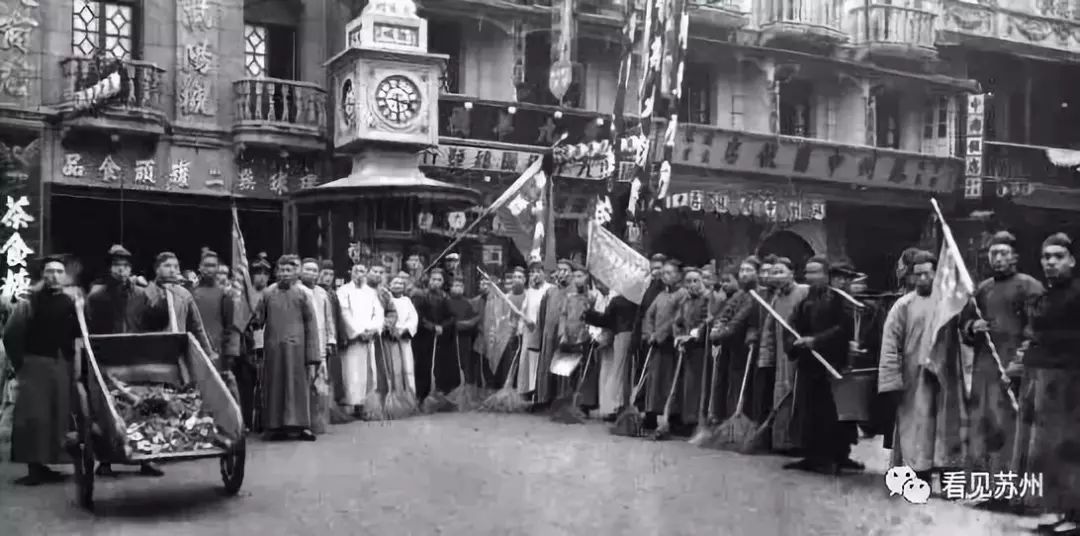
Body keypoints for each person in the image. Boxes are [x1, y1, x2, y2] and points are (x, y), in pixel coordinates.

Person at [957, 232, 1043, 488]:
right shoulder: (982, 289)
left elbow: (1036, 328)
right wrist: (974, 326)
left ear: (1015, 256)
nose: (998, 258)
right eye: (994, 253)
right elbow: (964, 322)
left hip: (1015, 367)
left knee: (1010, 426)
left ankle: (1009, 486)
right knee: (983, 423)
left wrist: (1019, 362)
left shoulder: (1030, 287)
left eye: (1004, 253)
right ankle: (983, 486)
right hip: (986, 366)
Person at [1012, 233, 1080, 533]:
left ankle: (1073, 514)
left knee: (1067, 447)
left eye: (1058, 256)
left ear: (1072, 260)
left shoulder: (1077, 294)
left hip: (1069, 379)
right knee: (1045, 447)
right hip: (1041, 378)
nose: (1051, 262)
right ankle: (1055, 508)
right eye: (1046, 257)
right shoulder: (1046, 296)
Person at [879, 249, 966, 486]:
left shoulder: (950, 304)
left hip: (946, 376)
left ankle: (950, 477)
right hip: (913, 378)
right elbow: (890, 344)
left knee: (947, 426)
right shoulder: (903, 305)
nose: (922, 279)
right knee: (917, 425)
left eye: (928, 274)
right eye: (917, 275)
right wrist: (891, 380)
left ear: (937, 274)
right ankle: (919, 474)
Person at [4, 255, 78, 485]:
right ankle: (33, 468)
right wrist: (21, 364)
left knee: (55, 416)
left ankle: (47, 463)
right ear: (43, 275)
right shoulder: (30, 301)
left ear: (64, 276)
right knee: (33, 417)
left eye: (58, 271)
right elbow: (11, 334)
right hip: (34, 364)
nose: (54, 276)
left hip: (60, 364)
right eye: (49, 271)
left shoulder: (70, 302)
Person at [784, 255, 855, 474]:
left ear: (826, 275)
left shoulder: (840, 299)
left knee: (832, 412)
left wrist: (817, 341)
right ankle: (811, 455)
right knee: (808, 411)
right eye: (807, 272)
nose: (810, 276)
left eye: (815, 272)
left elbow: (844, 328)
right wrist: (793, 343)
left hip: (832, 363)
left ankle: (836, 455)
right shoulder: (806, 299)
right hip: (809, 363)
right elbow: (792, 325)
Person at [255, 255, 320, 441]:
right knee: (274, 385)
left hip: (297, 350)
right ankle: (274, 426)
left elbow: (311, 326)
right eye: (281, 270)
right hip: (274, 349)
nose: (284, 274)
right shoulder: (267, 294)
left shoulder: (303, 294)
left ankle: (302, 426)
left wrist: (313, 356)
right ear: (276, 273)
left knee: (298, 386)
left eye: (288, 270)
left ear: (295, 273)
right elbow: (258, 320)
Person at [759, 257, 808, 450]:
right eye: (774, 272)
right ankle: (782, 442)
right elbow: (769, 330)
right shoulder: (776, 298)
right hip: (782, 354)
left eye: (781, 272)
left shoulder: (804, 292)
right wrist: (766, 355)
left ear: (792, 273)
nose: (777, 276)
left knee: (798, 396)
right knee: (781, 394)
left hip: (801, 350)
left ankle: (799, 442)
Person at [709, 256, 760, 423]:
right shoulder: (739, 295)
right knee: (732, 383)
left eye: (749, 270)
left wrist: (723, 332)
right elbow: (727, 314)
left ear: (757, 273)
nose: (744, 274)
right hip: (733, 346)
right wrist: (718, 327)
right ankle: (730, 419)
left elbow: (740, 318)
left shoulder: (757, 294)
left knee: (745, 386)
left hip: (749, 346)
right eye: (742, 271)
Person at [642, 259, 686, 437]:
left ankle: (672, 417)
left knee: (669, 380)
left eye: (669, 273)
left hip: (671, 344)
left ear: (678, 275)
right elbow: (649, 315)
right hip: (656, 344)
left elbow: (676, 319)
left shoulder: (682, 294)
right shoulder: (660, 295)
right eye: (664, 273)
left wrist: (660, 335)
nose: (665, 276)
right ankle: (651, 413)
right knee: (654, 380)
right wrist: (649, 334)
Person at [584, 279, 638, 421]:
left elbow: (607, 320)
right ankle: (620, 404)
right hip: (629, 335)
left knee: (618, 371)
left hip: (621, 335)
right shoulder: (636, 300)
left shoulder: (617, 300)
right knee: (624, 371)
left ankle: (617, 405)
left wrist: (589, 314)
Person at [337, 264, 384, 415]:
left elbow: (378, 312)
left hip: (368, 337)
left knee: (367, 372)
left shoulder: (371, 292)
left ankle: (364, 404)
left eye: (363, 271)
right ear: (351, 273)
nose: (359, 274)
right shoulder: (343, 291)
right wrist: (358, 331)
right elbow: (344, 313)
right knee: (351, 371)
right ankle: (351, 404)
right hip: (353, 338)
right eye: (357, 271)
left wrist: (372, 329)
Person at [235, 253, 272, 431]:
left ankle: (264, 421)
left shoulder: (271, 294)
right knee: (246, 385)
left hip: (267, 344)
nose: (262, 277)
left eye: (265, 273)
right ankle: (247, 422)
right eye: (258, 273)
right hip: (247, 345)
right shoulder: (243, 295)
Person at [300, 258, 337, 434]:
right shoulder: (297, 290)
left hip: (321, 343)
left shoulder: (322, 293)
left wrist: (331, 340)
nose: (311, 273)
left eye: (314, 270)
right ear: (300, 270)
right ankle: (302, 420)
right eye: (307, 269)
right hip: (302, 343)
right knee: (303, 382)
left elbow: (328, 318)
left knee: (319, 382)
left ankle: (316, 419)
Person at [555, 262, 598, 413]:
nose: (577, 280)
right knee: (569, 371)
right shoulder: (569, 296)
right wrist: (562, 334)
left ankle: (584, 403)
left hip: (585, 337)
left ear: (586, 278)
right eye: (575, 277)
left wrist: (590, 332)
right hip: (569, 337)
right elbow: (563, 315)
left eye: (580, 276)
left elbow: (595, 317)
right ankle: (568, 399)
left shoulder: (592, 297)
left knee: (585, 370)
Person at [673, 266, 710, 434]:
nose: (692, 284)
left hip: (702, 347)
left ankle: (696, 419)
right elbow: (678, 321)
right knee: (686, 384)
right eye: (688, 281)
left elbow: (709, 319)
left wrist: (695, 334)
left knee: (697, 384)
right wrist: (678, 337)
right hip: (686, 347)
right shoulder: (685, 301)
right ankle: (685, 419)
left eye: (696, 281)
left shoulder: (708, 299)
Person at [534, 259, 574, 407]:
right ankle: (544, 398)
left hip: (566, 334)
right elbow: (542, 314)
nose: (562, 273)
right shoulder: (550, 292)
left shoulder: (574, 292)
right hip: (549, 333)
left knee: (563, 367)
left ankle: (562, 401)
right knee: (546, 364)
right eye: (560, 270)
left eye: (566, 270)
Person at [412, 268, 456, 401]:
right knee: (422, 365)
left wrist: (442, 327)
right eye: (433, 279)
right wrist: (432, 327)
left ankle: (437, 393)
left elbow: (452, 317)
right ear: (429, 280)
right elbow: (418, 316)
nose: (435, 282)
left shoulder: (446, 297)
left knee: (438, 365)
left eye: (439, 280)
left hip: (440, 338)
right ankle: (421, 396)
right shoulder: (421, 296)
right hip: (423, 336)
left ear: (443, 282)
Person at [85, 245, 149, 335]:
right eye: (116, 264)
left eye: (126, 265)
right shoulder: (97, 295)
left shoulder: (141, 293)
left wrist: (148, 287)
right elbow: (91, 322)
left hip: (134, 342)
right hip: (108, 342)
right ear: (110, 268)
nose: (121, 269)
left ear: (131, 268)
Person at [520, 262, 551, 397]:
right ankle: (527, 391)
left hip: (543, 331)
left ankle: (539, 391)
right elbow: (523, 312)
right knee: (527, 362)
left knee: (540, 361)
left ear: (544, 273)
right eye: (532, 273)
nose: (535, 275)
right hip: (529, 332)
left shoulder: (550, 290)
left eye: (538, 272)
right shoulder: (528, 292)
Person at [448, 276, 482, 391]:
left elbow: (473, 322)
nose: (458, 288)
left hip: (465, 340)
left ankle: (466, 391)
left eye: (460, 286)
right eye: (456, 285)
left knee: (466, 364)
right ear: (451, 287)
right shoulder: (446, 302)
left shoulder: (467, 303)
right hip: (449, 340)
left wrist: (467, 324)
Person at [387, 275, 418, 398]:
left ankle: (409, 396)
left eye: (401, 283)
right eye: (395, 283)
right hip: (391, 338)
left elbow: (413, 319)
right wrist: (391, 330)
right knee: (394, 368)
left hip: (404, 337)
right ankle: (395, 395)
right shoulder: (387, 300)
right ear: (389, 285)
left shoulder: (407, 301)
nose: (398, 285)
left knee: (408, 367)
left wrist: (405, 330)